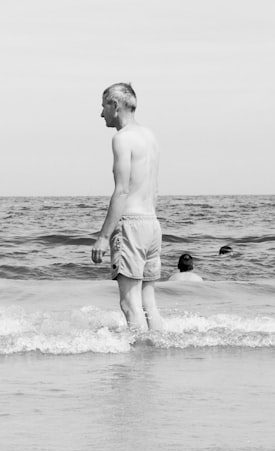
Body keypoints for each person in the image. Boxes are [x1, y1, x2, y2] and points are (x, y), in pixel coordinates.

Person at [90, 83, 164, 331]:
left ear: (115, 105)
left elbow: (121, 190)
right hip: (152, 225)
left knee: (129, 302)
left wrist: (103, 237)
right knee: (148, 303)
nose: (102, 114)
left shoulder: (122, 139)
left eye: (103, 107)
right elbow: (152, 188)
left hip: (131, 224)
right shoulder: (150, 137)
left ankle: (138, 363)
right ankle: (155, 357)